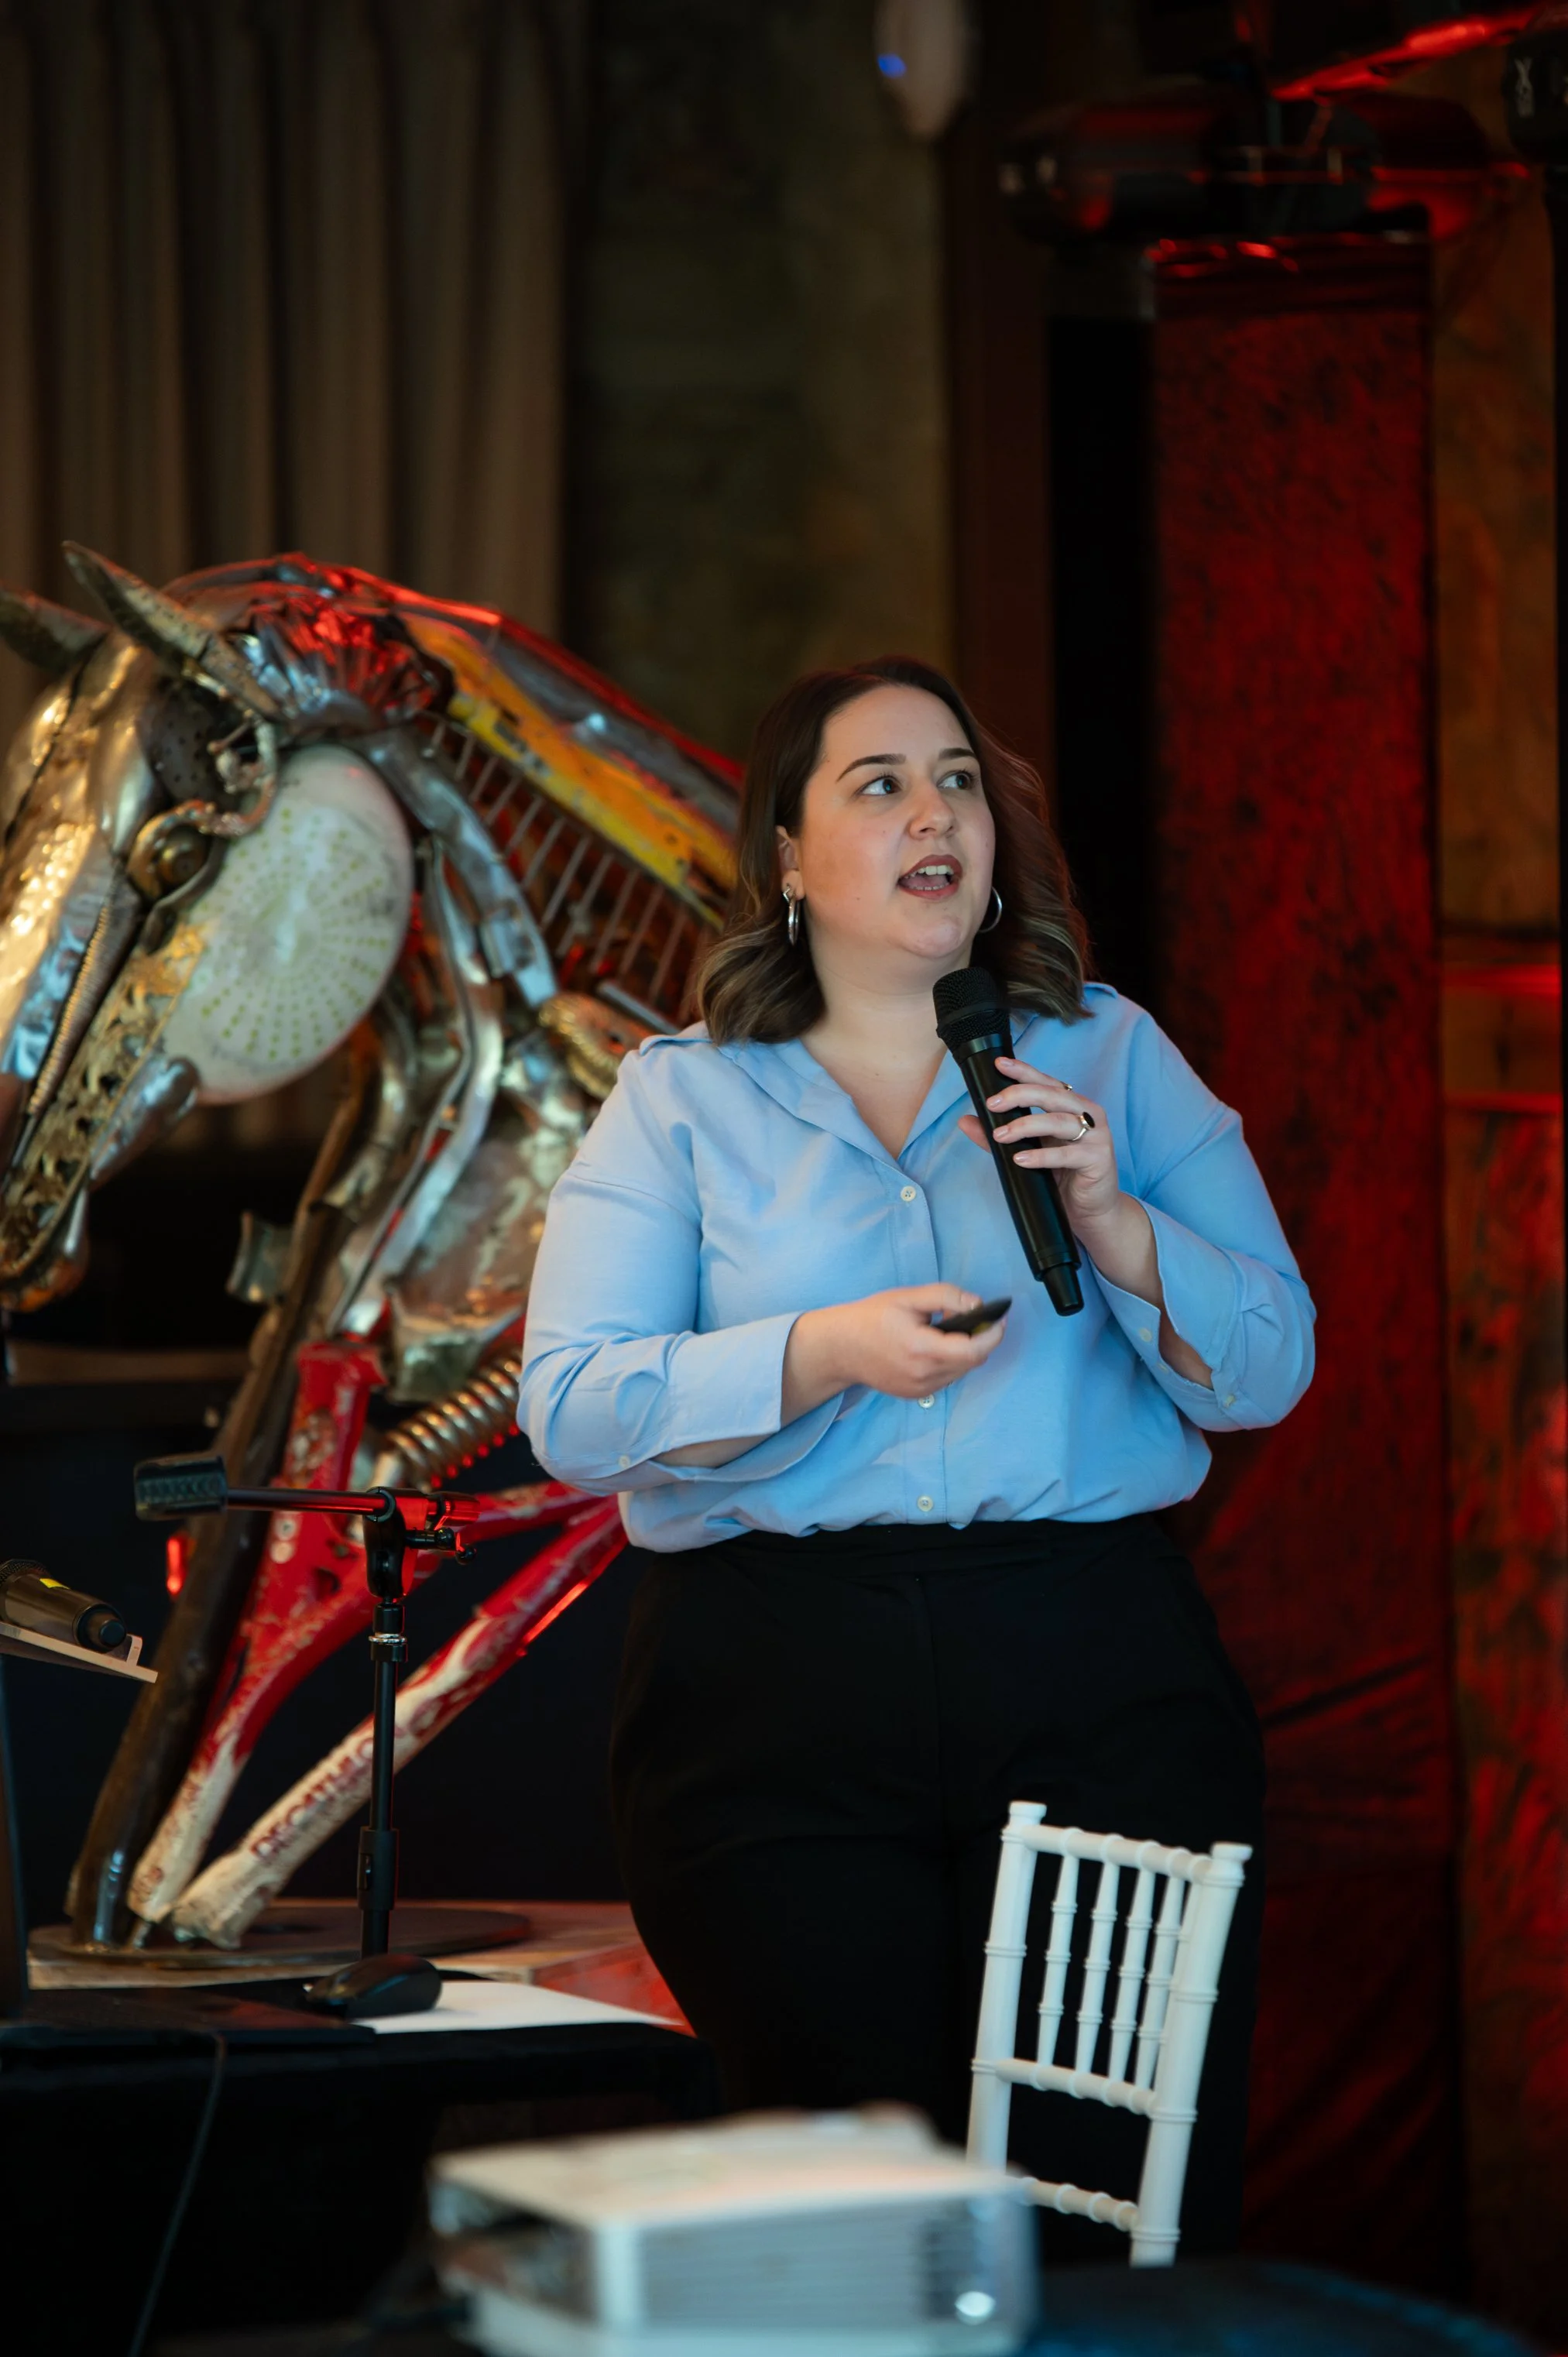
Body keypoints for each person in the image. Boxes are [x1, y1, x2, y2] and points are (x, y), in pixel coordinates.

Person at [519, 655, 1314, 2254]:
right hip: (776, 1692)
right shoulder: (682, 1100)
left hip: (1090, 1669)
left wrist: (1118, 1225)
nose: (933, 814)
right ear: (789, 857)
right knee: (847, 2213)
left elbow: (1270, 1369)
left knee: (1098, 2199)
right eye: (877, 785)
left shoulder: (1105, 1053)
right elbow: (574, 1407)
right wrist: (819, 1354)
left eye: (955, 781)